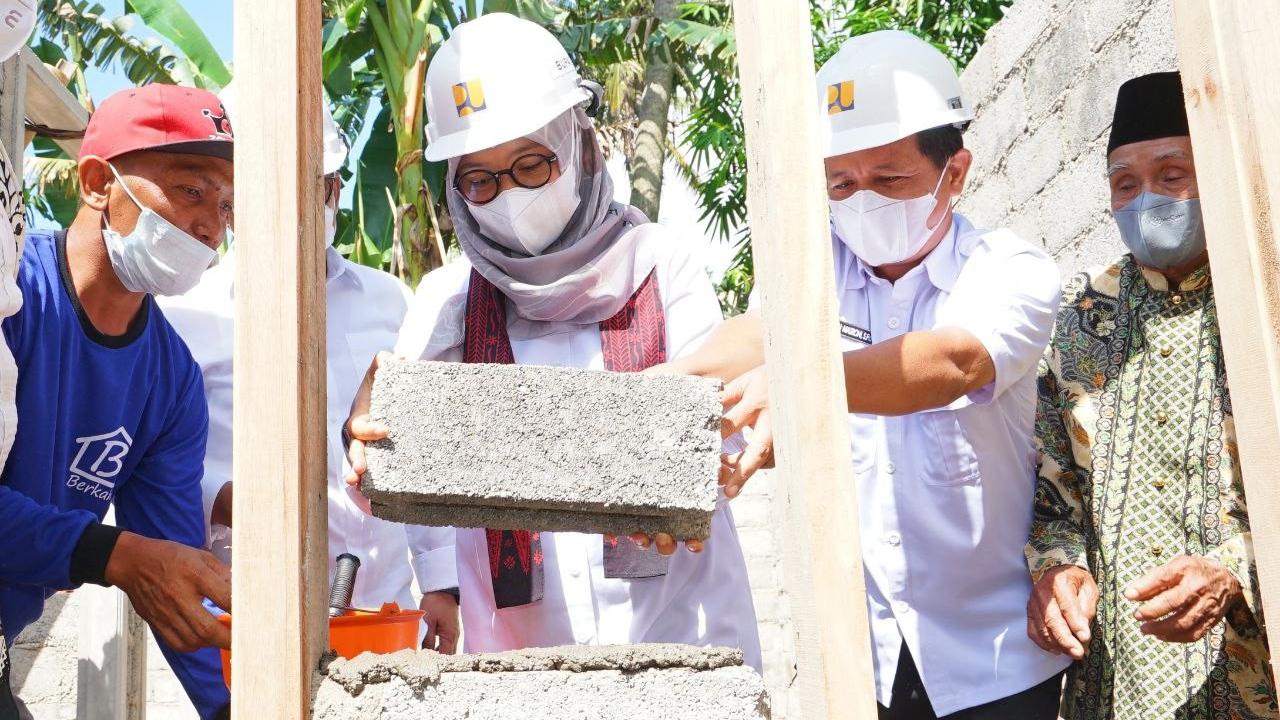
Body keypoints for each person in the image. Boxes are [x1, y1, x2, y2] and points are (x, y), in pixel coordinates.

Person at [660, 30, 1069, 718]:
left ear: (955, 172)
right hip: (864, 657)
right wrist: (653, 396)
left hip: (993, 658)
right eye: (842, 184)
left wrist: (798, 384)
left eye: (889, 180)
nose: (862, 201)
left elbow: (952, 361)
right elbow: (754, 337)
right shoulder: (815, 269)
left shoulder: (1009, 271)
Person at [345, 13, 761, 668]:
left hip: (684, 639)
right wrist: (371, 431)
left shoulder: (659, 264)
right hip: (525, 661)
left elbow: (718, 429)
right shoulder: (449, 304)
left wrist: (664, 439)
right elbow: (394, 466)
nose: (508, 196)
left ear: (580, 146)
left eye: (531, 165)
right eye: (480, 180)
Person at [160, 88, 461, 653]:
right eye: (266, 190)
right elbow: (157, 467)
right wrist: (220, 500)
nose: (291, 206)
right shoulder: (185, 314)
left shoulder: (390, 301)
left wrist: (441, 581)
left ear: (334, 190)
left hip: (382, 609)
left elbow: (418, 445)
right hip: (244, 615)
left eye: (310, 186)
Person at [1026, 71, 1276, 719]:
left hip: (1253, 672)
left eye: (1172, 175)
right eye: (1125, 184)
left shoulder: (1266, 299)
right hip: (1118, 681)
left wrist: (1235, 568)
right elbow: (1051, 501)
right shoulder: (1076, 319)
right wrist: (1059, 570)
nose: (1147, 200)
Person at [0, 84, 233, 720]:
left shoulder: (171, 382)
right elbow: (138, 559)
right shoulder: (13, 296)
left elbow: (172, 573)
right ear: (99, 183)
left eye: (226, 206)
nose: (211, 225)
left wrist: (233, 705)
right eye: (191, 190)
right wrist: (114, 554)